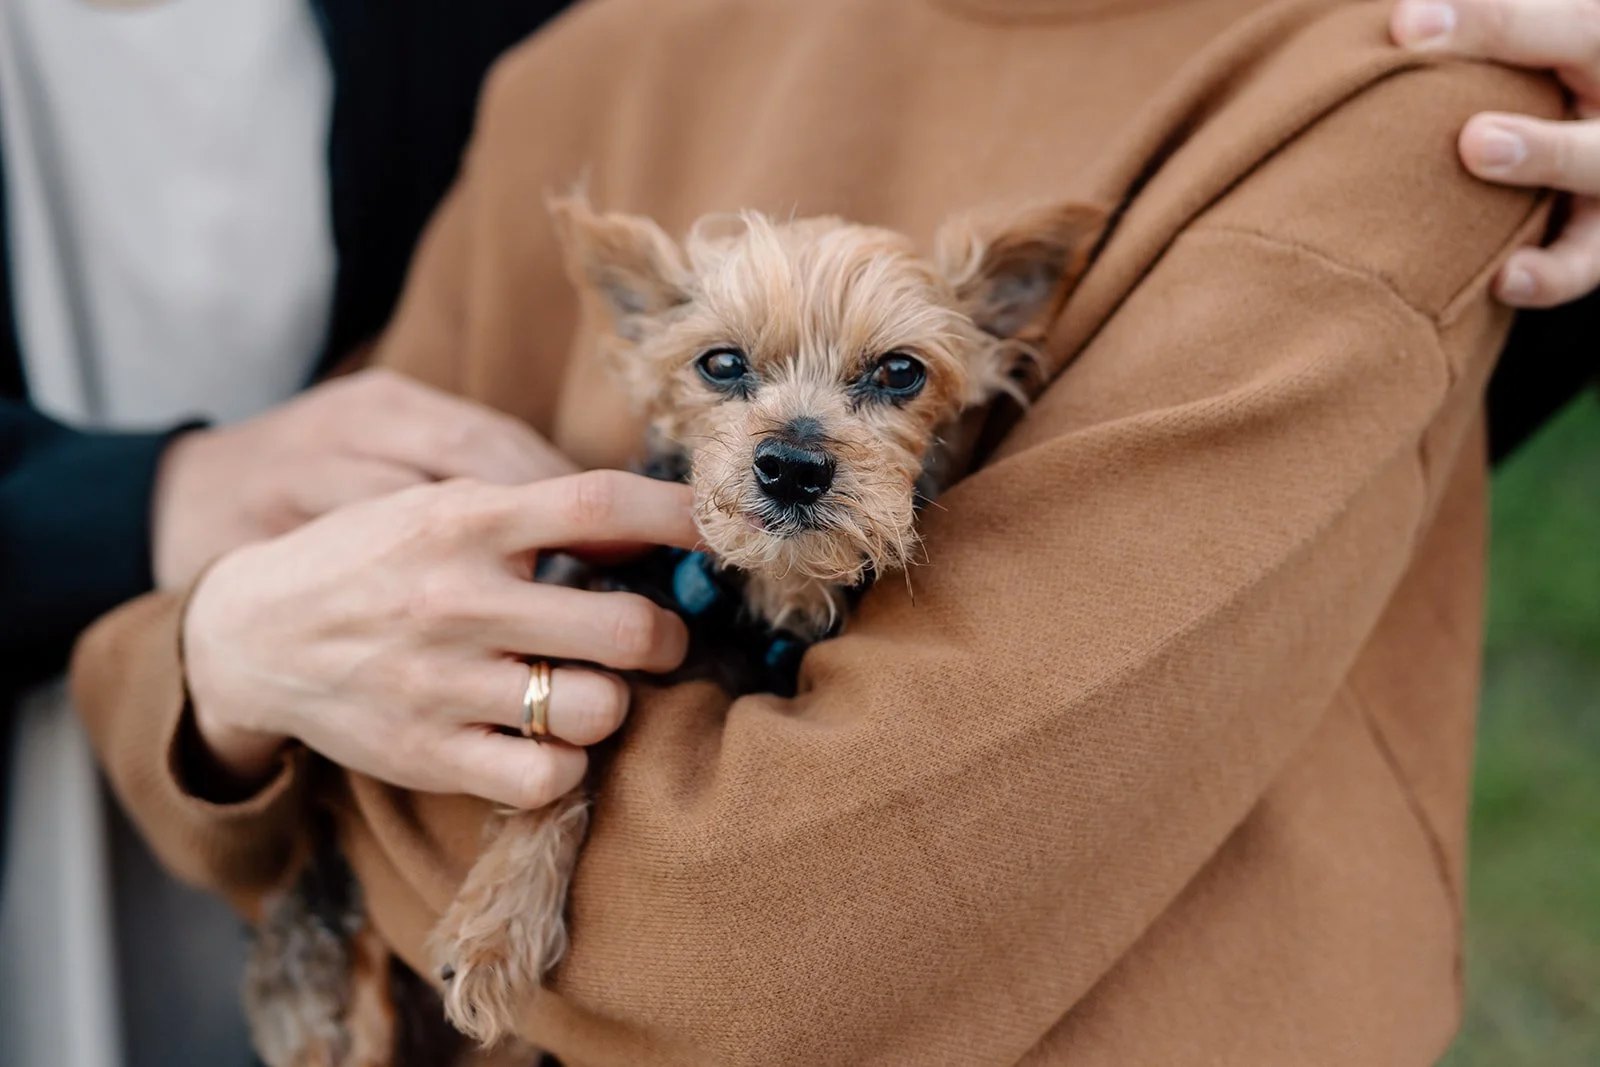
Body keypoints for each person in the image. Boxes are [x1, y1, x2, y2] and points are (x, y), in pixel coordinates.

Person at [42, 1, 1600, 1066]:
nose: (790, 438)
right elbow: (153, 673)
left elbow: (764, 937)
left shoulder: (1407, 97)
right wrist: (234, 654)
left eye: (892, 378)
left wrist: (338, 730)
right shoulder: (589, 60)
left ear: (988, 349)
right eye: (726, 371)